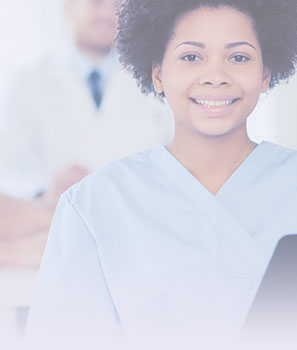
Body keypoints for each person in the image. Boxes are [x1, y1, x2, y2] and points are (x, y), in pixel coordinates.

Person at [25, 0, 297, 347]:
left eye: (238, 57)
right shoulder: (92, 205)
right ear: (158, 73)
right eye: (190, 57)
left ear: (266, 73)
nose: (215, 75)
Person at [0, 0, 173, 266]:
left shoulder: (158, 80)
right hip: (47, 235)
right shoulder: (26, 82)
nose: (107, 12)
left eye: (117, 4)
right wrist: (45, 188)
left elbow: (173, 167)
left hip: (132, 243)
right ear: (67, 6)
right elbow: (6, 170)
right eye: (96, 2)